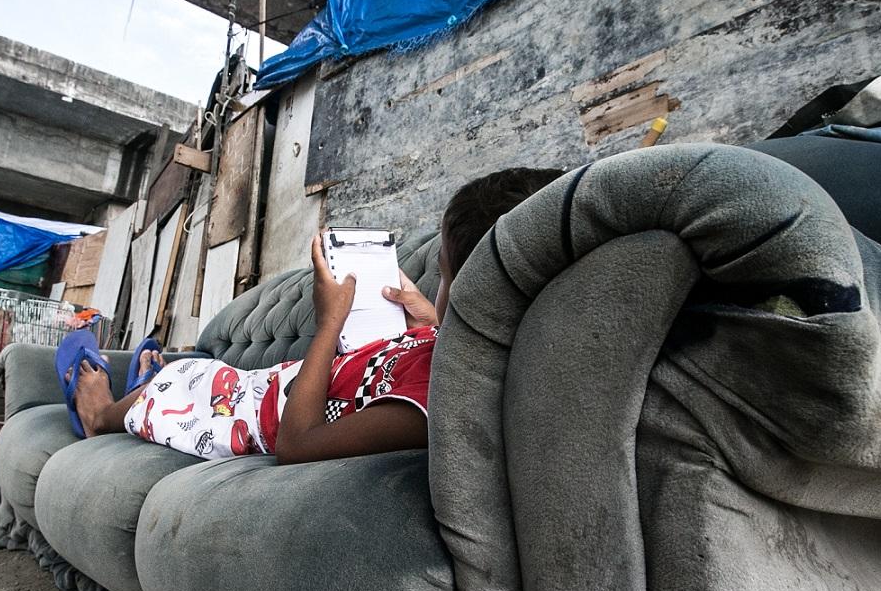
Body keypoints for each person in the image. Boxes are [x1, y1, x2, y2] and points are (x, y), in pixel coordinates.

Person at [59, 167, 563, 464]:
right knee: (194, 371)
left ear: (474, 296)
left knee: (185, 378)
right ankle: (147, 388)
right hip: (272, 384)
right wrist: (427, 317)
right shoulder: (458, 351)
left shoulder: (429, 407)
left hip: (258, 420)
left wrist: (329, 324)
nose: (439, 287)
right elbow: (438, 349)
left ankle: (102, 415)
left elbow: (297, 446)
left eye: (445, 275)